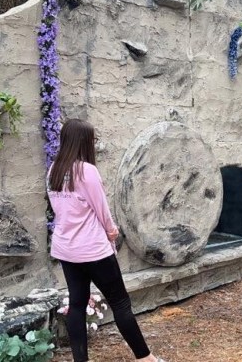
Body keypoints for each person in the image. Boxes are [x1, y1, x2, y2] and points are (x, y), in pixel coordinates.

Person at [47, 119, 165, 362]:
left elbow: (60, 211)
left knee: (77, 305)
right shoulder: (87, 171)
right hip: (93, 250)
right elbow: (101, 210)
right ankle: (145, 359)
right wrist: (113, 232)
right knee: (121, 304)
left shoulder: (53, 170)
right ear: (82, 142)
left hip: (66, 248)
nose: (93, 144)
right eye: (92, 140)